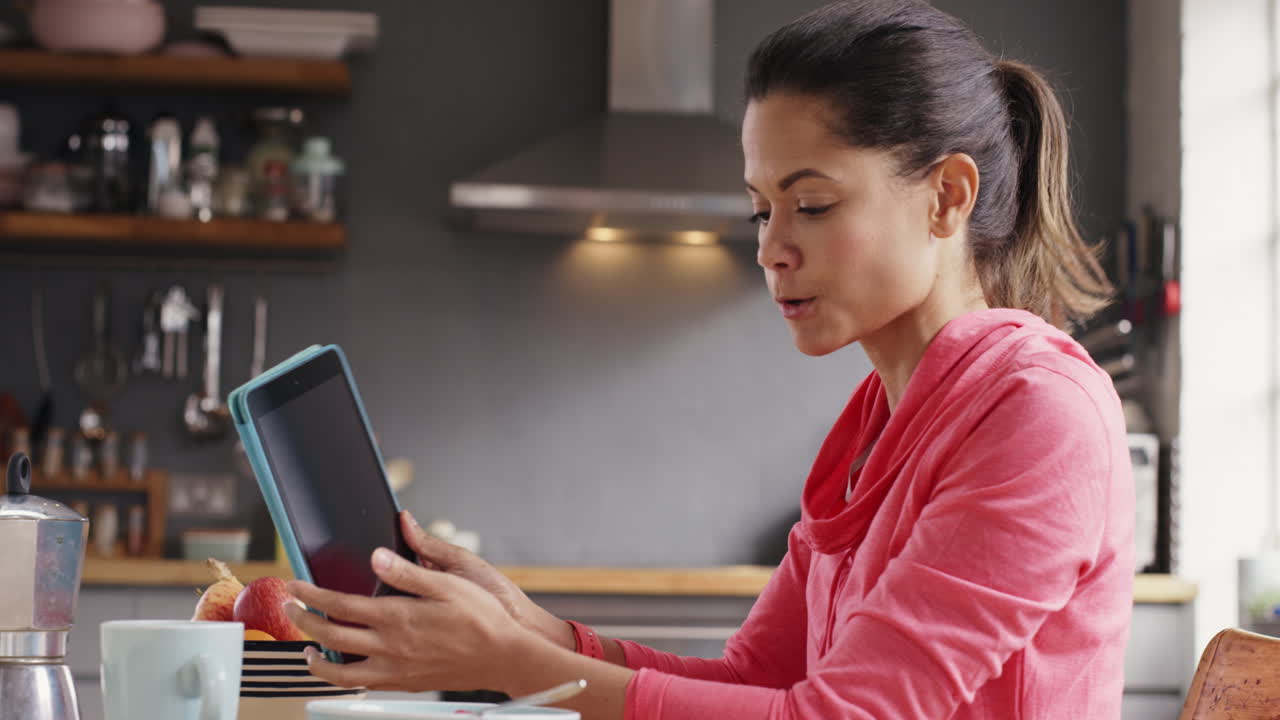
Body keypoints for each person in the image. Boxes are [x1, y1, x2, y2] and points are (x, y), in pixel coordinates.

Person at [282, 1, 1135, 717]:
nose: (772, 249)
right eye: (762, 210)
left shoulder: (1038, 415)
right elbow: (753, 683)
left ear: (947, 196)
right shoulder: (884, 419)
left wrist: (512, 664)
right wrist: (535, 634)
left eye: (811, 203)